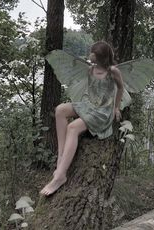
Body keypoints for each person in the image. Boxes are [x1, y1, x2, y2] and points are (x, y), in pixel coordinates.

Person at [40, 41, 124, 196]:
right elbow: (91, 89)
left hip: (102, 112)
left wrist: (116, 107)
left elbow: (120, 88)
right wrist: (83, 105)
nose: (90, 55)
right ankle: (61, 157)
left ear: (101, 56)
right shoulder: (90, 69)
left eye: (94, 53)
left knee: (72, 128)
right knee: (60, 110)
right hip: (88, 105)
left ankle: (60, 176)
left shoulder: (113, 71)